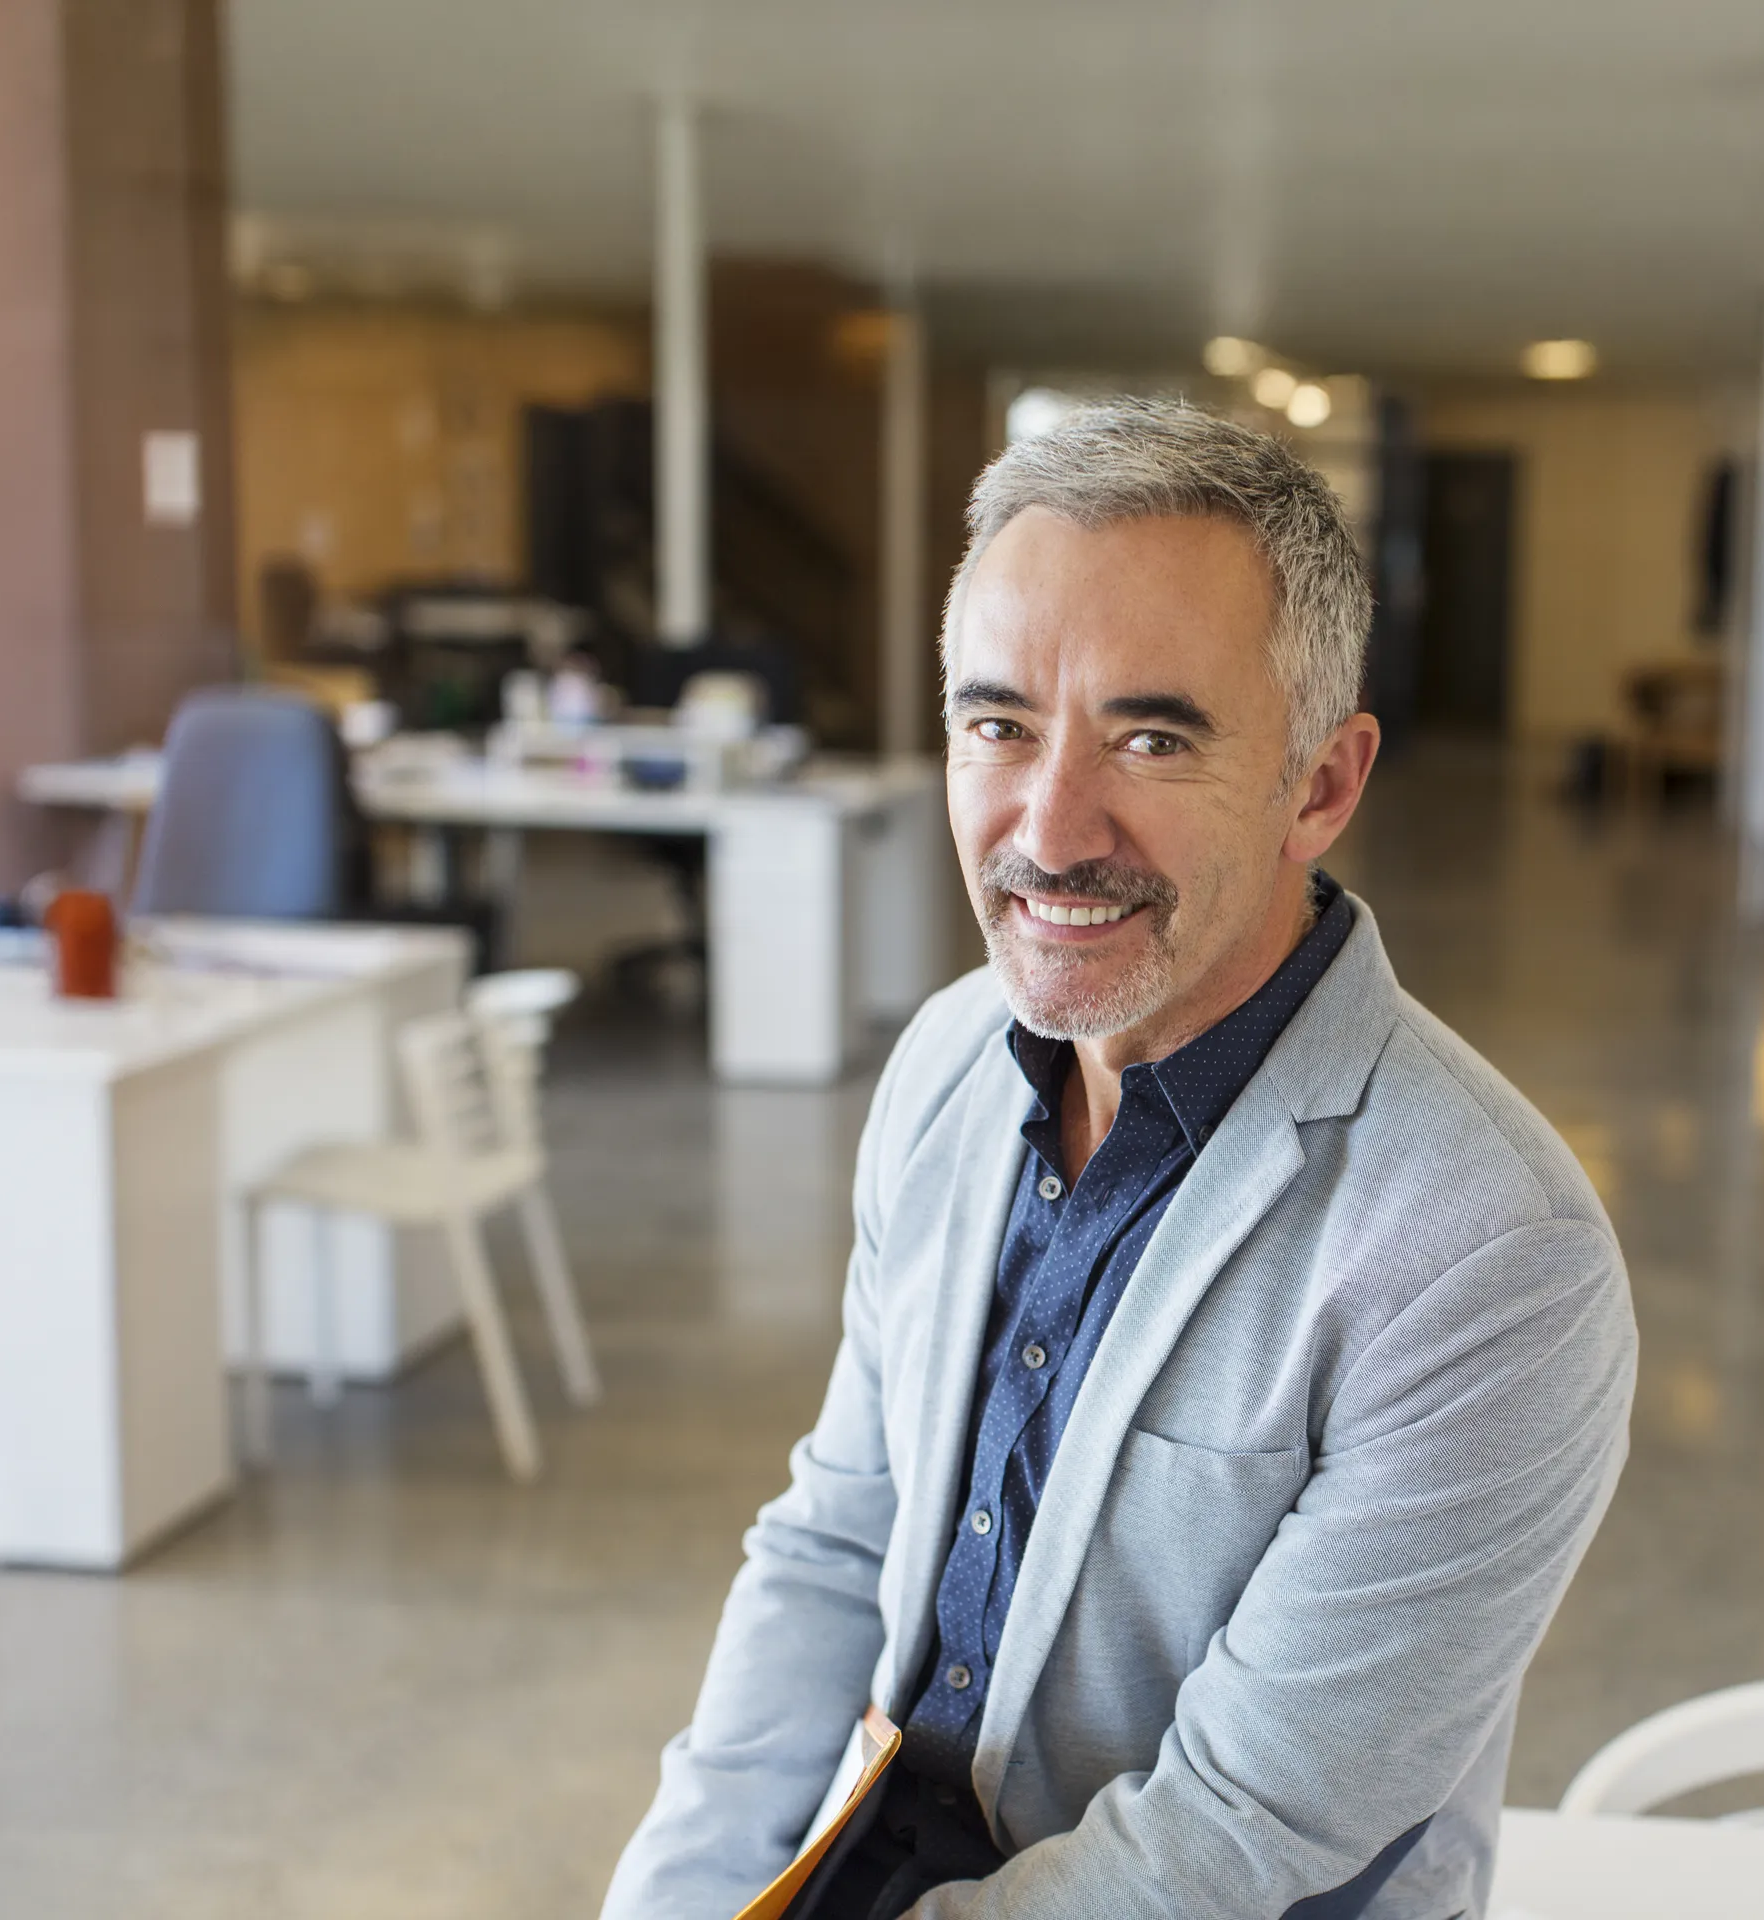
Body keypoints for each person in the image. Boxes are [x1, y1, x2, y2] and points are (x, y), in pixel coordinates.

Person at [601, 400, 1636, 1920]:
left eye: (1152, 736)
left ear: (1321, 786)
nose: (1047, 823)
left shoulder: (1487, 1255)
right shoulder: (950, 1064)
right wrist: (680, 1898)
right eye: (999, 724)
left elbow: (1238, 1836)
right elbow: (843, 1535)